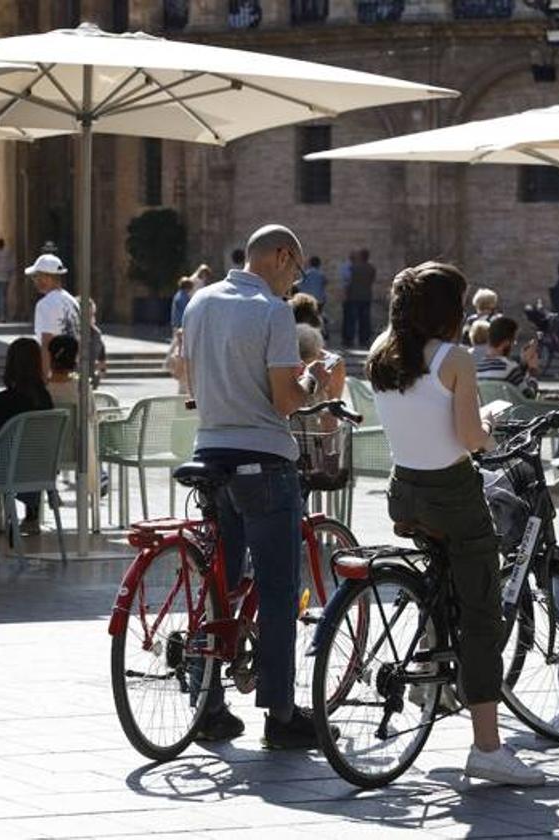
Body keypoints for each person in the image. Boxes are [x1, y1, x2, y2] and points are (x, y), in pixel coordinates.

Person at [368, 260, 544, 785]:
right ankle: (487, 747)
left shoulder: (382, 353)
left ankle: (432, 669)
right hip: (452, 494)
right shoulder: (456, 358)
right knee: (483, 615)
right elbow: (469, 438)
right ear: (447, 310)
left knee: (444, 583)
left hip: (404, 493)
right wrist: (489, 429)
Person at [180, 223, 329, 749]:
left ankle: (208, 703)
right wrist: (316, 378)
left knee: (220, 584)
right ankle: (281, 714)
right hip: (264, 459)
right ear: (282, 257)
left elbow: (188, 377)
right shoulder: (271, 310)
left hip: (210, 452)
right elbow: (287, 401)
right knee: (277, 588)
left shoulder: (198, 303)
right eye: (298, 269)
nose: (295, 281)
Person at [0, 337, 52, 536]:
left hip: (7, 467)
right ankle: (32, 516)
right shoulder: (45, 399)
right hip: (41, 465)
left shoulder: (4, 400)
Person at [28, 253, 80, 377]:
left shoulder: (45, 304)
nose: (35, 280)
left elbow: (47, 343)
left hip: (55, 375)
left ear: (47, 277)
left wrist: (45, 378)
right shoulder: (72, 301)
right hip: (72, 372)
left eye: (36, 276)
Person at [476, 315, 540, 397]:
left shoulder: (478, 368)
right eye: (514, 340)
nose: (515, 344)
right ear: (506, 342)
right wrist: (533, 372)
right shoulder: (509, 367)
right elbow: (529, 396)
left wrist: (523, 364)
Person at [342, 247, 376, 349]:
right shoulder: (371, 268)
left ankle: (349, 340)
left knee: (351, 320)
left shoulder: (353, 268)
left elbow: (349, 282)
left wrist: (346, 294)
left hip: (353, 296)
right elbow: (372, 280)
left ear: (361, 257)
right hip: (366, 296)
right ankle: (364, 340)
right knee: (365, 320)